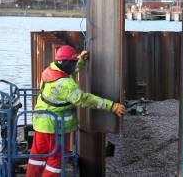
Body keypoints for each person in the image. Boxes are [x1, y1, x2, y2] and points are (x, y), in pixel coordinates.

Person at [26, 45, 125, 177]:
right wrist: (111, 106)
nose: (74, 66)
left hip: (41, 123)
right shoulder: (66, 84)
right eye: (72, 62)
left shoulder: (50, 71)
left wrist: (80, 61)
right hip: (56, 128)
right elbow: (84, 99)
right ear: (65, 62)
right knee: (56, 161)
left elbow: (68, 72)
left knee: (37, 157)